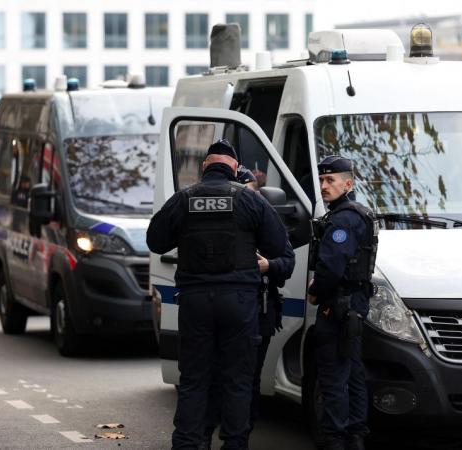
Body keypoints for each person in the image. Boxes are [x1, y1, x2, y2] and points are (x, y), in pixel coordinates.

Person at [147, 140, 288, 450]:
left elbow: (155, 241)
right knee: (237, 380)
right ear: (235, 169)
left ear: (204, 167)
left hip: (196, 303)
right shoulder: (251, 201)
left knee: (195, 379)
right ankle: (234, 444)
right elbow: (283, 254)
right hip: (239, 304)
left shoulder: (183, 199)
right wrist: (266, 263)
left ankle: (186, 443)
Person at [202, 167, 296, 448]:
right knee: (214, 376)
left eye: (253, 191)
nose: (251, 197)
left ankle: (240, 434)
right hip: (219, 310)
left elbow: (287, 261)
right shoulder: (213, 223)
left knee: (247, 379)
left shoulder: (268, 223)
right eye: (247, 190)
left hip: (259, 310)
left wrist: (269, 265)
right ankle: (207, 431)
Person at [306, 155, 378, 450]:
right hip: (353, 305)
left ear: (348, 183)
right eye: (322, 180)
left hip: (337, 305)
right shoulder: (358, 213)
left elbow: (332, 266)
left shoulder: (343, 219)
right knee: (353, 372)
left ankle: (335, 439)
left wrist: (316, 291)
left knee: (334, 375)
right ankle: (356, 435)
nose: (324, 186)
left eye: (330, 181)